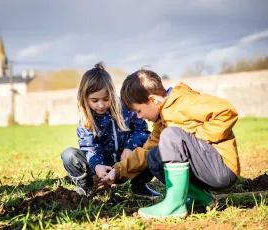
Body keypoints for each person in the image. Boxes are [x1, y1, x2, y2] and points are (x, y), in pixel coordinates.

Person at [102, 69, 239, 219]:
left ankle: (175, 206)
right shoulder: (162, 122)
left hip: (221, 168)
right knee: (154, 155)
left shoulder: (184, 102)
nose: (140, 117)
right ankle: (202, 198)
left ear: (153, 100)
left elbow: (226, 111)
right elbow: (145, 152)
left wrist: (196, 138)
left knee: (172, 135)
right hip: (205, 169)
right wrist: (117, 171)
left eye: (139, 111)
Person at [61, 63, 162, 199]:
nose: (101, 105)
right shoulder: (86, 121)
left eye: (106, 99)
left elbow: (142, 131)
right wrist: (97, 166)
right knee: (69, 155)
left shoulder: (125, 109)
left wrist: (129, 148)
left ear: (112, 95)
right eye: (95, 100)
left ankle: (139, 187)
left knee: (151, 148)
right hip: (101, 169)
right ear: (85, 98)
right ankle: (87, 188)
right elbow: (90, 147)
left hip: (125, 165)